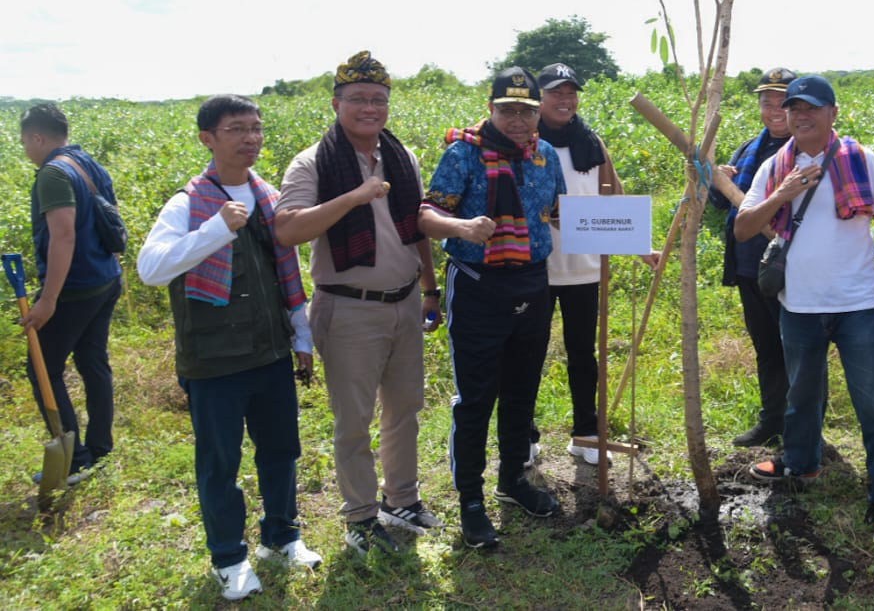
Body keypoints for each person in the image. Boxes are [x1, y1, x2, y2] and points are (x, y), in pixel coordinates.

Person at [137, 95, 321, 601]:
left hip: (270, 353)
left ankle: (282, 537)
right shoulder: (187, 203)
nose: (250, 139)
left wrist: (300, 337)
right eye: (236, 129)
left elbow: (287, 274)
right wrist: (217, 228)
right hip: (213, 362)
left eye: (256, 128)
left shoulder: (267, 196)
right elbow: (151, 270)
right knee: (220, 463)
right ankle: (229, 557)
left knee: (282, 451)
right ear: (208, 138)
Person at [274, 51, 442, 557]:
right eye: (358, 99)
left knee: (406, 408)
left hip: (405, 301)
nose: (369, 108)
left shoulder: (401, 157)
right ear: (336, 103)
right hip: (348, 308)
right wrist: (353, 196)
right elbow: (287, 230)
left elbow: (416, 228)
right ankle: (361, 517)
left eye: (378, 99)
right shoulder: (313, 163)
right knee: (353, 419)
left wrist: (430, 288)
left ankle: (402, 500)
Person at [736, 75, 874, 543]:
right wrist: (783, 193)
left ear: (833, 113)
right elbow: (742, 227)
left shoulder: (860, 159)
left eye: (812, 107)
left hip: (855, 304)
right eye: (794, 108)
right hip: (799, 304)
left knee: (873, 405)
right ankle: (801, 463)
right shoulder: (777, 165)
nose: (802, 115)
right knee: (801, 395)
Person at [419, 66, 568, 549]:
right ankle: (471, 500)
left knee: (522, 390)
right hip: (480, 285)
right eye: (508, 111)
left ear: (537, 112)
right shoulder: (463, 154)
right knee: (477, 398)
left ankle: (513, 480)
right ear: (491, 109)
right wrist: (462, 229)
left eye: (526, 111)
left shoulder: (545, 156)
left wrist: (628, 235)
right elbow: (426, 214)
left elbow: (563, 213)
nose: (518, 121)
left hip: (532, 283)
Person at [529, 62, 654, 467]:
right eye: (555, 93)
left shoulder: (592, 143)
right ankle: (524, 437)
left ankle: (585, 433)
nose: (565, 101)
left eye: (570, 93)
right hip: (534, 268)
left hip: (584, 268)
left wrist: (640, 245)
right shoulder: (524, 142)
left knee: (584, 353)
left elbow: (612, 197)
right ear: (540, 98)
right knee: (527, 352)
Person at [18, 103, 121, 485]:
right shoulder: (87, 162)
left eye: (25, 141)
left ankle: (74, 458)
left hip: (76, 288)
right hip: (106, 277)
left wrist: (48, 299)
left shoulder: (53, 173)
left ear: (38, 137)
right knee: (94, 362)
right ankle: (99, 449)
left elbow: (64, 234)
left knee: (41, 367)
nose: (26, 149)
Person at [709, 67, 796, 448]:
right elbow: (719, 203)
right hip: (750, 266)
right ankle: (771, 422)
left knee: (799, 349)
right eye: (766, 102)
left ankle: (804, 428)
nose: (774, 110)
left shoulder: (808, 150)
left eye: (783, 102)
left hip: (792, 268)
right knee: (766, 347)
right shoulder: (749, 149)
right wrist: (719, 179)